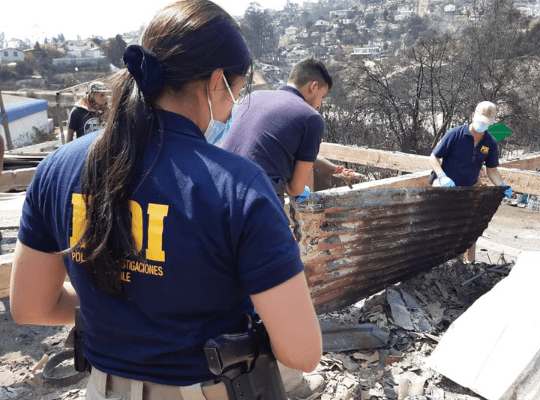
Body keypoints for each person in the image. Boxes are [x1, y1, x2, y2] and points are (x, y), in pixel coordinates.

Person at [10, 2, 322, 400]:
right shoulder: (239, 187)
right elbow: (302, 352)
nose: (229, 110)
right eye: (236, 94)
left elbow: (31, 306)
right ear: (215, 84)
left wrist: (120, 306)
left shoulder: (56, 169)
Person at [220, 57, 366, 206]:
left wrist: (337, 170)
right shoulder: (310, 118)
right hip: (254, 198)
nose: (319, 106)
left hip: (219, 186)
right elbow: (294, 189)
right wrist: (300, 188)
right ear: (314, 86)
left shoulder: (253, 97)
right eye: (322, 97)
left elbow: (300, 157)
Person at [429, 100, 513, 262]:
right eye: (480, 121)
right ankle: (435, 260)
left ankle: (460, 262)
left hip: (467, 189)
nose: (482, 125)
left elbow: (492, 170)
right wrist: (442, 176)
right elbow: (434, 157)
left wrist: (502, 186)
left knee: (466, 228)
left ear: (492, 123)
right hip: (446, 187)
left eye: (486, 123)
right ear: (473, 116)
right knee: (441, 225)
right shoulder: (455, 135)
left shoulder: (490, 143)